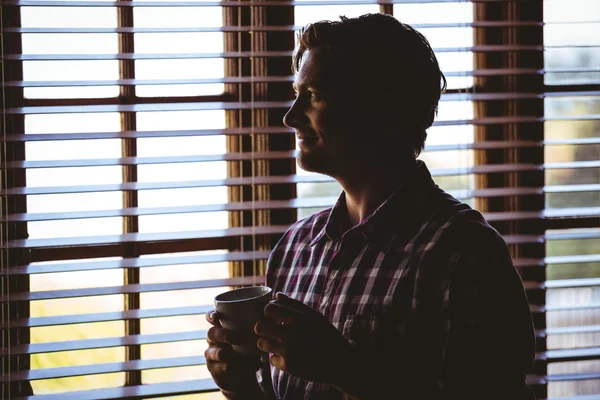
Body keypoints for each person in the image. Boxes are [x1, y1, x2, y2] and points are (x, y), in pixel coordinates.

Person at [205, 13, 536, 400]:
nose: (290, 117)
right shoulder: (295, 250)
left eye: (312, 95)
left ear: (381, 108)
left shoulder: (463, 253)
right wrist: (241, 387)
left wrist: (345, 368)